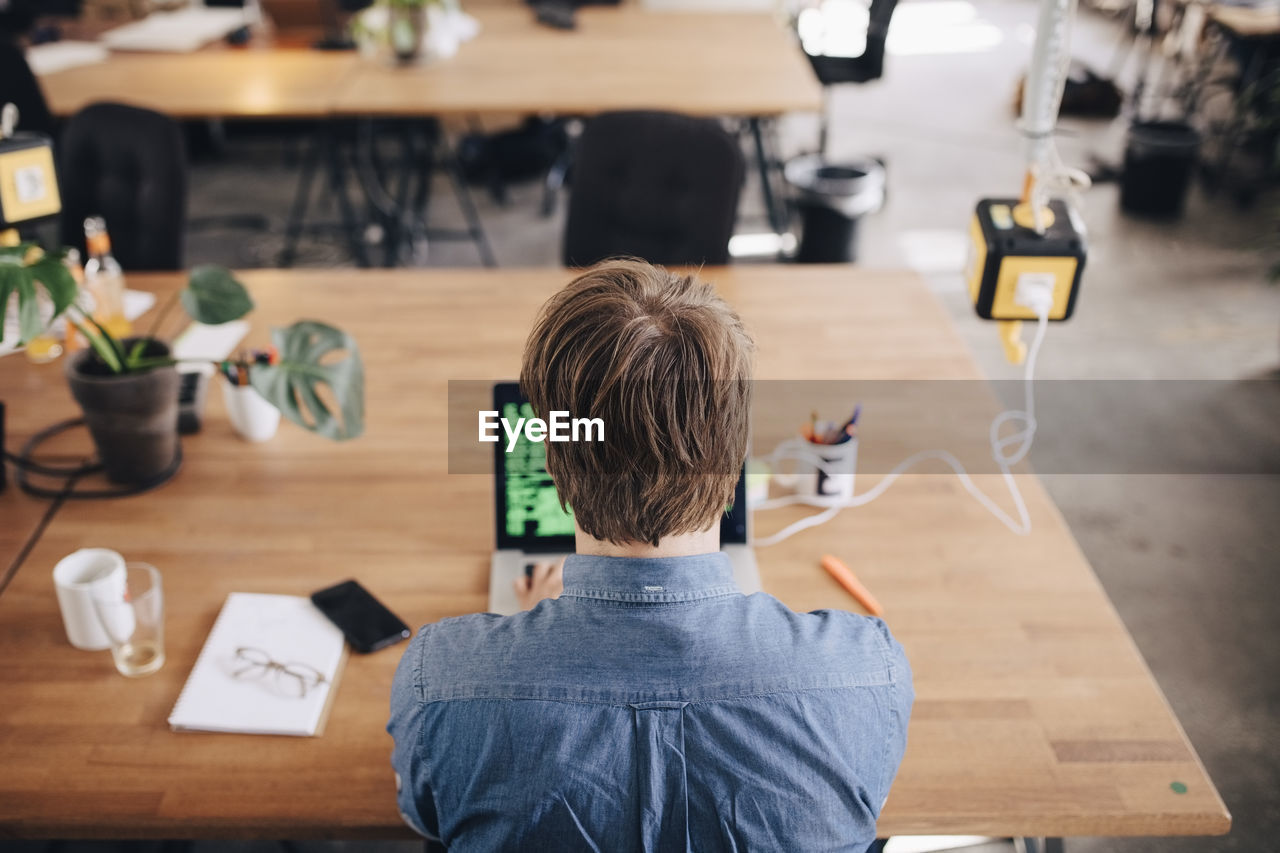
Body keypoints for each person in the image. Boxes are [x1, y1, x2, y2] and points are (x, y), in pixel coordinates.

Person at [388, 259, 913, 851]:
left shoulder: (442, 679)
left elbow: (426, 818)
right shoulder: (868, 672)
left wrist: (521, 639)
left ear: (553, 459)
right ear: (734, 449)